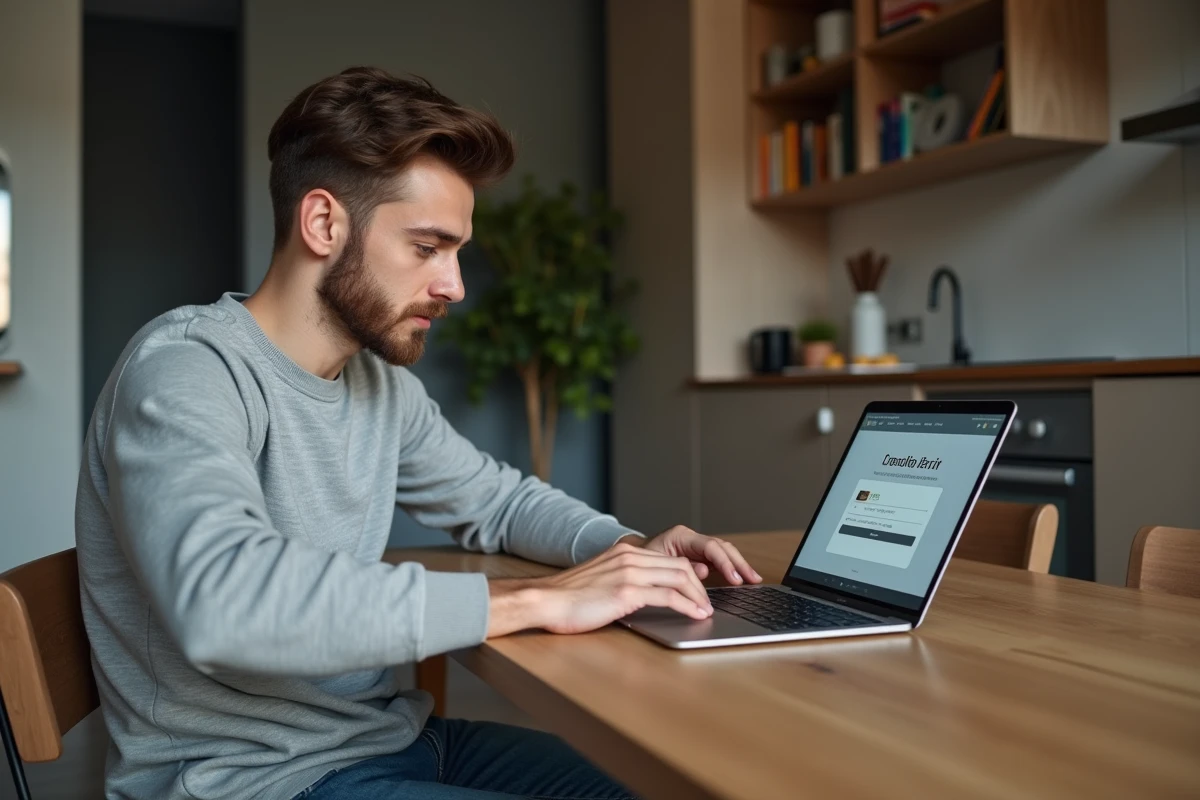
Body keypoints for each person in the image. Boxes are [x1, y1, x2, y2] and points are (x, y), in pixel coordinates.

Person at [75, 66, 761, 800]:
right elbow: (222, 601)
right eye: (427, 247)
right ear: (323, 223)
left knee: (676, 787)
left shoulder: (379, 388)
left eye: (456, 251)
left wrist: (627, 553)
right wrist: (540, 603)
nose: (455, 286)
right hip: (249, 781)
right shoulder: (186, 369)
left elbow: (498, 505)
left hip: (390, 740)